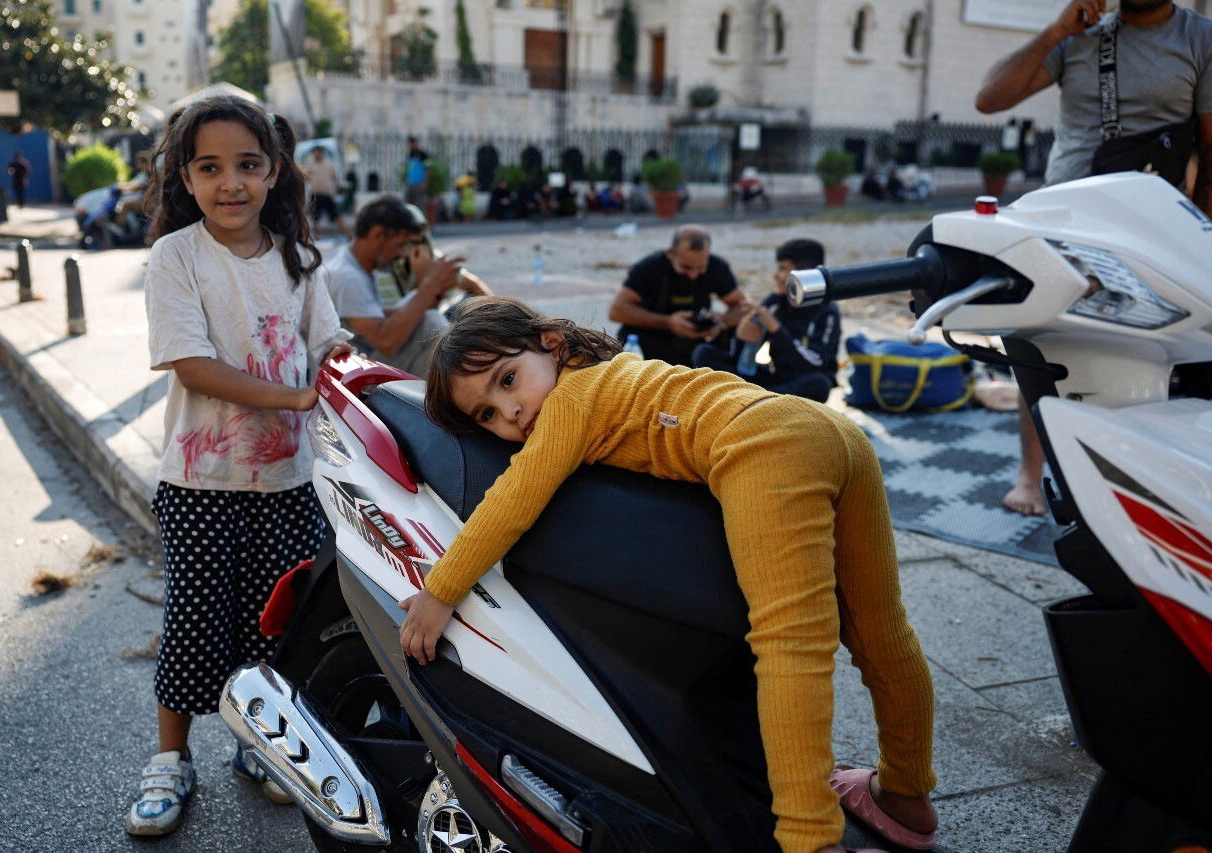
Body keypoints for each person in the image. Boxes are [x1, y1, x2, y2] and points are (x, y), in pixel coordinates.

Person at [400, 296, 939, 853]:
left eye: (508, 379)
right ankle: (905, 792)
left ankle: (809, 839)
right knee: (881, 631)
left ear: (553, 346)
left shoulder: (571, 400)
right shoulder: (612, 374)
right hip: (831, 430)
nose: (509, 411)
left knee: (790, 644)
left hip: (764, 447)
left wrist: (440, 590)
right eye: (486, 413)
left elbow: (512, 500)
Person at [131, 95, 352, 836]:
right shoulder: (177, 256)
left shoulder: (300, 258)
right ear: (185, 179)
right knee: (196, 620)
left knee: (275, 627)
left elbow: (330, 346)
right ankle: (170, 759)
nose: (232, 183)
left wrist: (364, 381)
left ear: (274, 170)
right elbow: (193, 365)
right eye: (210, 167)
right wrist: (296, 395)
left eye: (248, 165)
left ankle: (259, 744)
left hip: (291, 481)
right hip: (200, 484)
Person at [975, 0, 1212, 515]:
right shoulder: (1079, 35)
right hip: (1063, 217)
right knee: (1040, 340)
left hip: (1150, 226)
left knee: (1144, 350)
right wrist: (1057, 30)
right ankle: (1031, 474)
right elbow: (989, 100)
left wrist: (1200, 238)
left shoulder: (1200, 38)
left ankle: (1137, 477)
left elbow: (1210, 153)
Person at [323, 194, 471, 377]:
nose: (402, 254)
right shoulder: (348, 276)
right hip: (351, 377)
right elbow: (387, 342)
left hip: (359, 364)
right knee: (432, 326)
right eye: (399, 245)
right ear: (377, 234)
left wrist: (428, 288)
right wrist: (428, 286)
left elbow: (377, 316)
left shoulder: (350, 263)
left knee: (429, 321)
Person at [692, 238, 840, 403]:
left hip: (801, 383)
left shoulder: (826, 311)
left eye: (782, 269)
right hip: (774, 379)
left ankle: (755, 400)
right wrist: (742, 337)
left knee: (819, 384)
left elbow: (815, 363)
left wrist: (776, 329)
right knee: (704, 353)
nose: (775, 275)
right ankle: (760, 399)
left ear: (804, 274)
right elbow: (742, 359)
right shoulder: (776, 301)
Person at [608, 225, 750, 366]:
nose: (693, 274)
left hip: (692, 348)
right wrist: (668, 322)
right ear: (671, 253)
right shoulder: (650, 268)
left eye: (700, 267)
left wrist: (721, 320)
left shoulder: (717, 267)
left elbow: (745, 307)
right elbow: (616, 311)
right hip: (649, 345)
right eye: (686, 267)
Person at [303, 145, 349, 238]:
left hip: (326, 194)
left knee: (336, 214)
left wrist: (336, 189)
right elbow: (305, 178)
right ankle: (316, 236)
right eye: (314, 152)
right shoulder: (311, 165)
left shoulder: (329, 164)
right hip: (315, 193)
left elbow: (335, 178)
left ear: (321, 153)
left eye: (318, 152)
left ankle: (347, 234)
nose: (316, 154)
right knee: (315, 216)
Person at [405, 136, 430, 214]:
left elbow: (428, 169)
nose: (409, 146)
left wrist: (425, 183)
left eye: (410, 144)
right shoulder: (410, 154)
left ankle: (422, 223)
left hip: (419, 183)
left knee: (420, 204)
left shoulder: (423, 155)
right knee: (408, 203)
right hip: (410, 182)